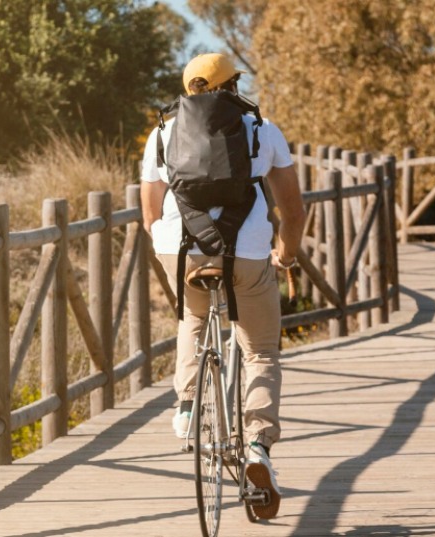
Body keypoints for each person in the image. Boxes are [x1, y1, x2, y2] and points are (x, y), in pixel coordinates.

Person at [139, 52, 306, 519]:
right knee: (260, 351)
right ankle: (257, 446)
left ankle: (187, 406)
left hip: (180, 249)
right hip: (248, 252)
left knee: (194, 316)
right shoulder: (263, 131)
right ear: (233, 85)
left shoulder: (160, 134)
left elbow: (150, 214)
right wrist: (286, 254)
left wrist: (167, 243)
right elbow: (293, 210)